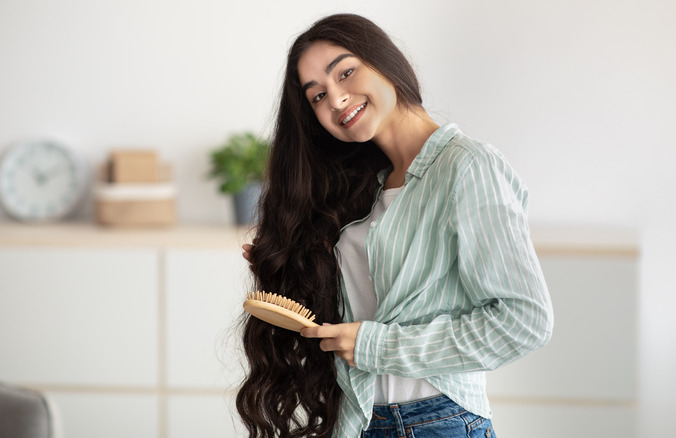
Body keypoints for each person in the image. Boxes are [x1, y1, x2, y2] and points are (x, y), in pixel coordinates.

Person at [235, 13, 553, 438]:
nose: (336, 100)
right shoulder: (364, 186)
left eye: (345, 72)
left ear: (385, 61)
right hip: (359, 420)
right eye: (317, 96)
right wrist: (288, 261)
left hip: (437, 421)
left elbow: (524, 320)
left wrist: (377, 347)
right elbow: (363, 307)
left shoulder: (468, 167)